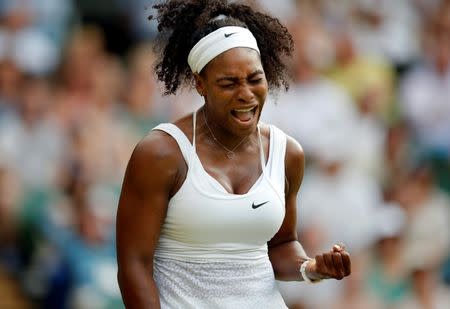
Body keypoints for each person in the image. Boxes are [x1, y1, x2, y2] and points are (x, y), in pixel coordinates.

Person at [116, 0, 351, 308]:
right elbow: (133, 265)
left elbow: (280, 246)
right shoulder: (161, 153)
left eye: (255, 79)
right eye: (228, 83)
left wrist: (311, 269)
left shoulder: (287, 153)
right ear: (200, 83)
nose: (246, 93)